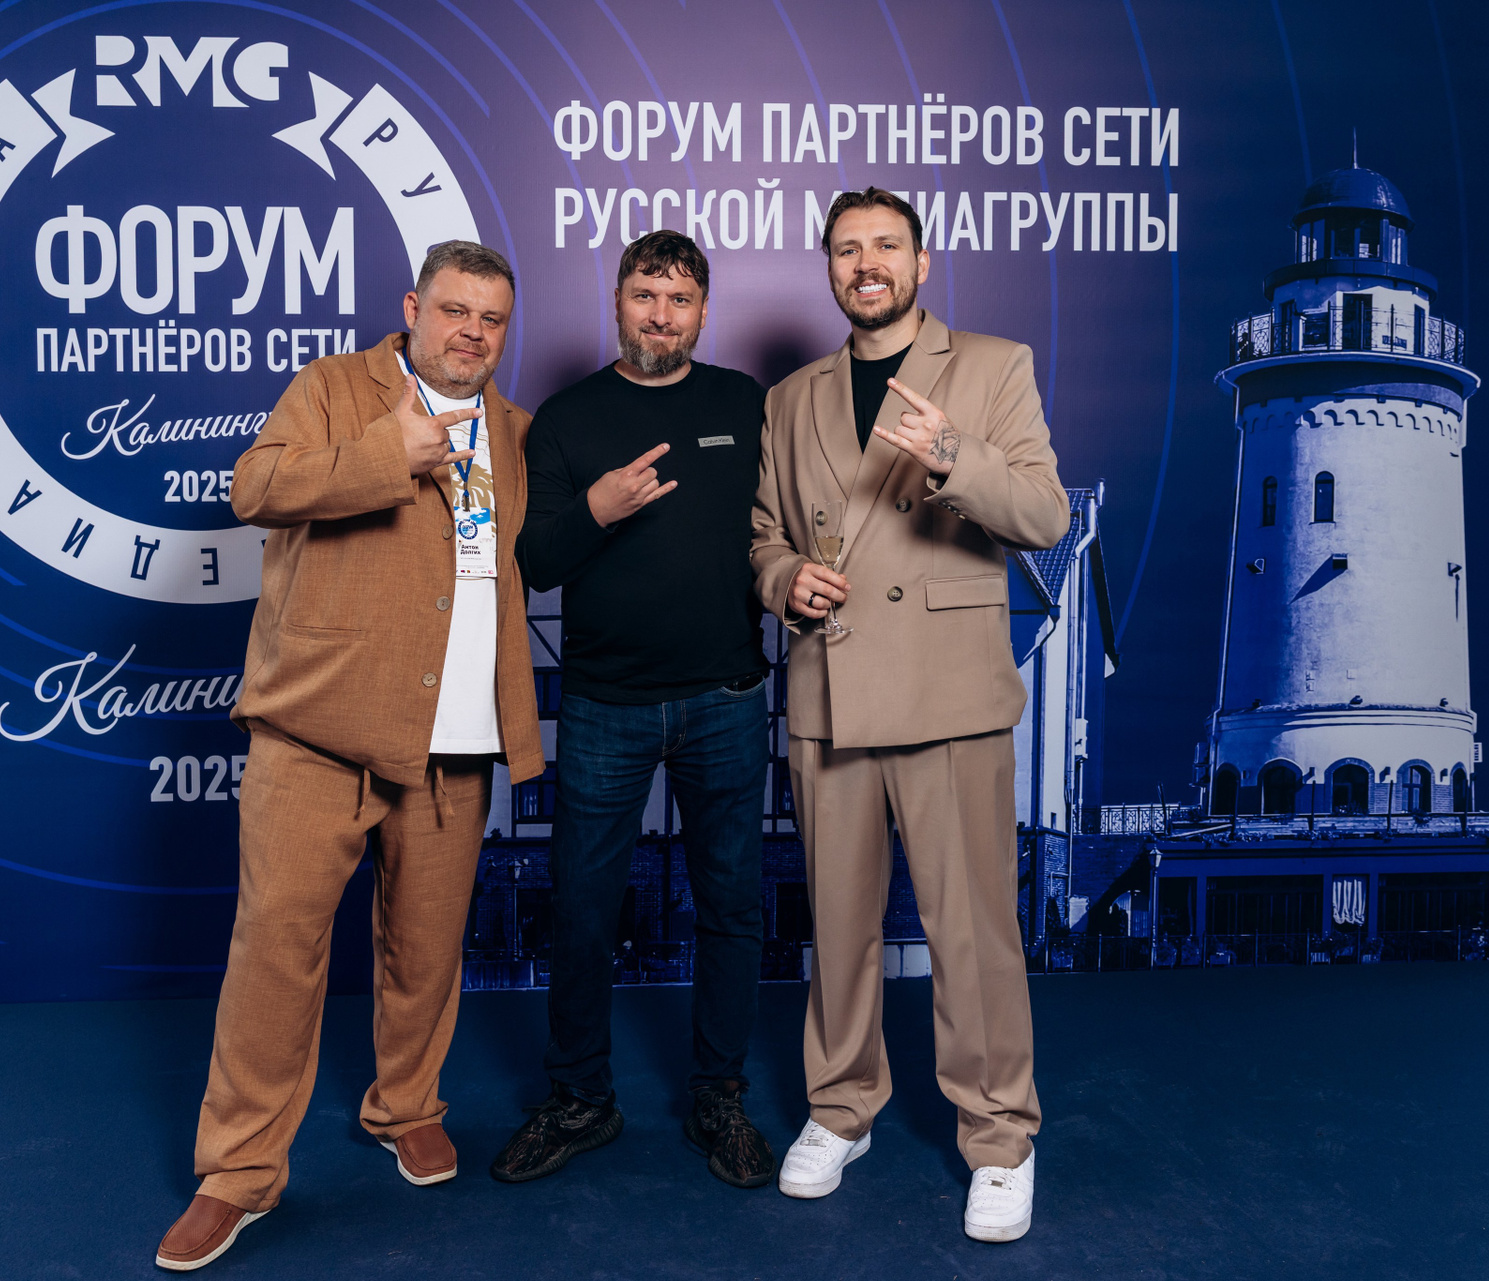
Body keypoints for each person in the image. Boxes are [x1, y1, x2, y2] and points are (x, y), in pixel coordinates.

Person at [155, 241, 543, 1272]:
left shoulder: (516, 430)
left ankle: (407, 1105)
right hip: (317, 731)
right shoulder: (334, 388)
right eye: (454, 310)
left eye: (492, 319)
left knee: (426, 950)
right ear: (413, 308)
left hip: (454, 738)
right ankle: (238, 1172)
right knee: (276, 952)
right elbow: (253, 487)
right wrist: (387, 455)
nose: (472, 333)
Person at [750, 189, 1070, 1242]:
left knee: (971, 932)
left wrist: (953, 455)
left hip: (947, 690)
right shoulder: (791, 396)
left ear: (922, 263)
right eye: (847, 249)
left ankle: (999, 1135)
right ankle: (841, 1107)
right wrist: (783, 578)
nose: (866, 263)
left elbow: (1044, 514)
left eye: (886, 244)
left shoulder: (994, 365)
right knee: (837, 926)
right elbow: (763, 532)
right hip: (831, 684)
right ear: (830, 270)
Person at [494, 230, 775, 1189]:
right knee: (582, 908)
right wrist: (598, 509)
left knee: (731, 905)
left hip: (726, 697)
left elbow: (783, 524)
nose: (662, 315)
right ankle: (580, 1097)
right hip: (605, 705)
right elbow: (535, 562)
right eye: (645, 295)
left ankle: (719, 1096)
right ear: (617, 301)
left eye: (680, 299)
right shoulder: (566, 418)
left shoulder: (742, 403)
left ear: (704, 311)